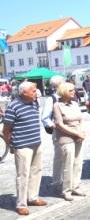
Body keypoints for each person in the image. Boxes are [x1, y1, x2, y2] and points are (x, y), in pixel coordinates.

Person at [2, 81, 47, 215]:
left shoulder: (34, 103)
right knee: (23, 175)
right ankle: (21, 204)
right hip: (22, 145)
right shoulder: (14, 106)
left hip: (36, 143)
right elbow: (6, 129)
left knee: (36, 171)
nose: (36, 92)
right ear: (24, 92)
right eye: (33, 90)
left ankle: (32, 197)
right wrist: (10, 144)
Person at [53, 82, 86, 201]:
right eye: (71, 90)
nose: (74, 92)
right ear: (64, 91)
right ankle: (66, 190)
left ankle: (75, 186)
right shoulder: (57, 105)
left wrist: (81, 132)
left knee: (78, 163)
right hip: (65, 137)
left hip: (78, 135)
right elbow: (59, 124)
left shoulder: (75, 104)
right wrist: (76, 133)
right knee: (68, 163)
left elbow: (81, 119)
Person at [41, 75, 65, 189]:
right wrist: (54, 126)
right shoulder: (52, 98)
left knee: (68, 157)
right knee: (59, 156)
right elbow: (45, 118)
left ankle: (67, 180)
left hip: (69, 131)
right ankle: (57, 181)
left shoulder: (65, 96)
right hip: (58, 132)